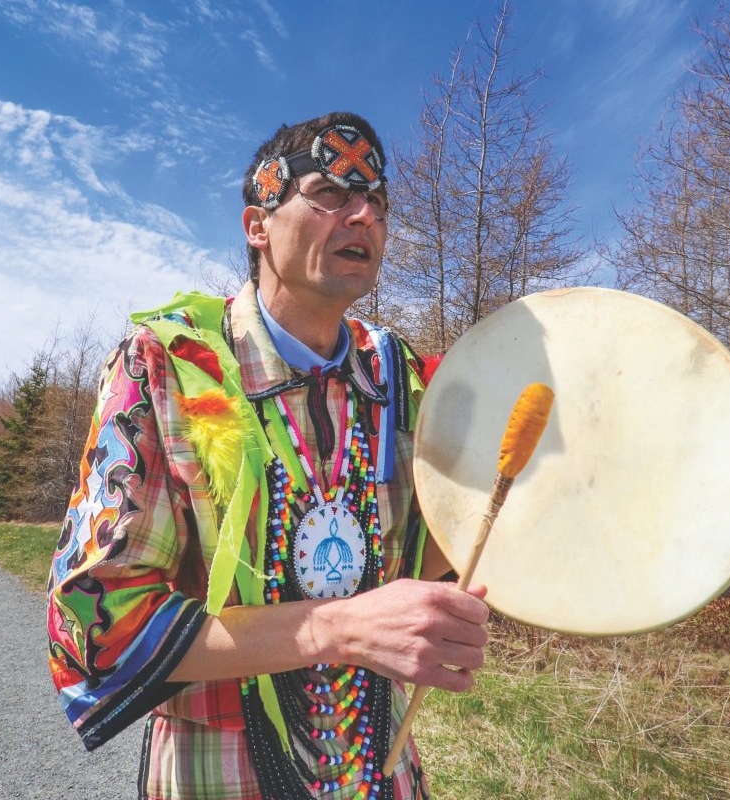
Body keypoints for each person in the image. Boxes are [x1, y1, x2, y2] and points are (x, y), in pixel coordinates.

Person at [47, 110, 490, 800]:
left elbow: (417, 562)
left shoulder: (399, 381)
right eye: (333, 193)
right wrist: (340, 628)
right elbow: (103, 630)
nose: (363, 215)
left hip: (381, 770)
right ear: (259, 224)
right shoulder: (169, 369)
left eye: (376, 200)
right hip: (218, 774)